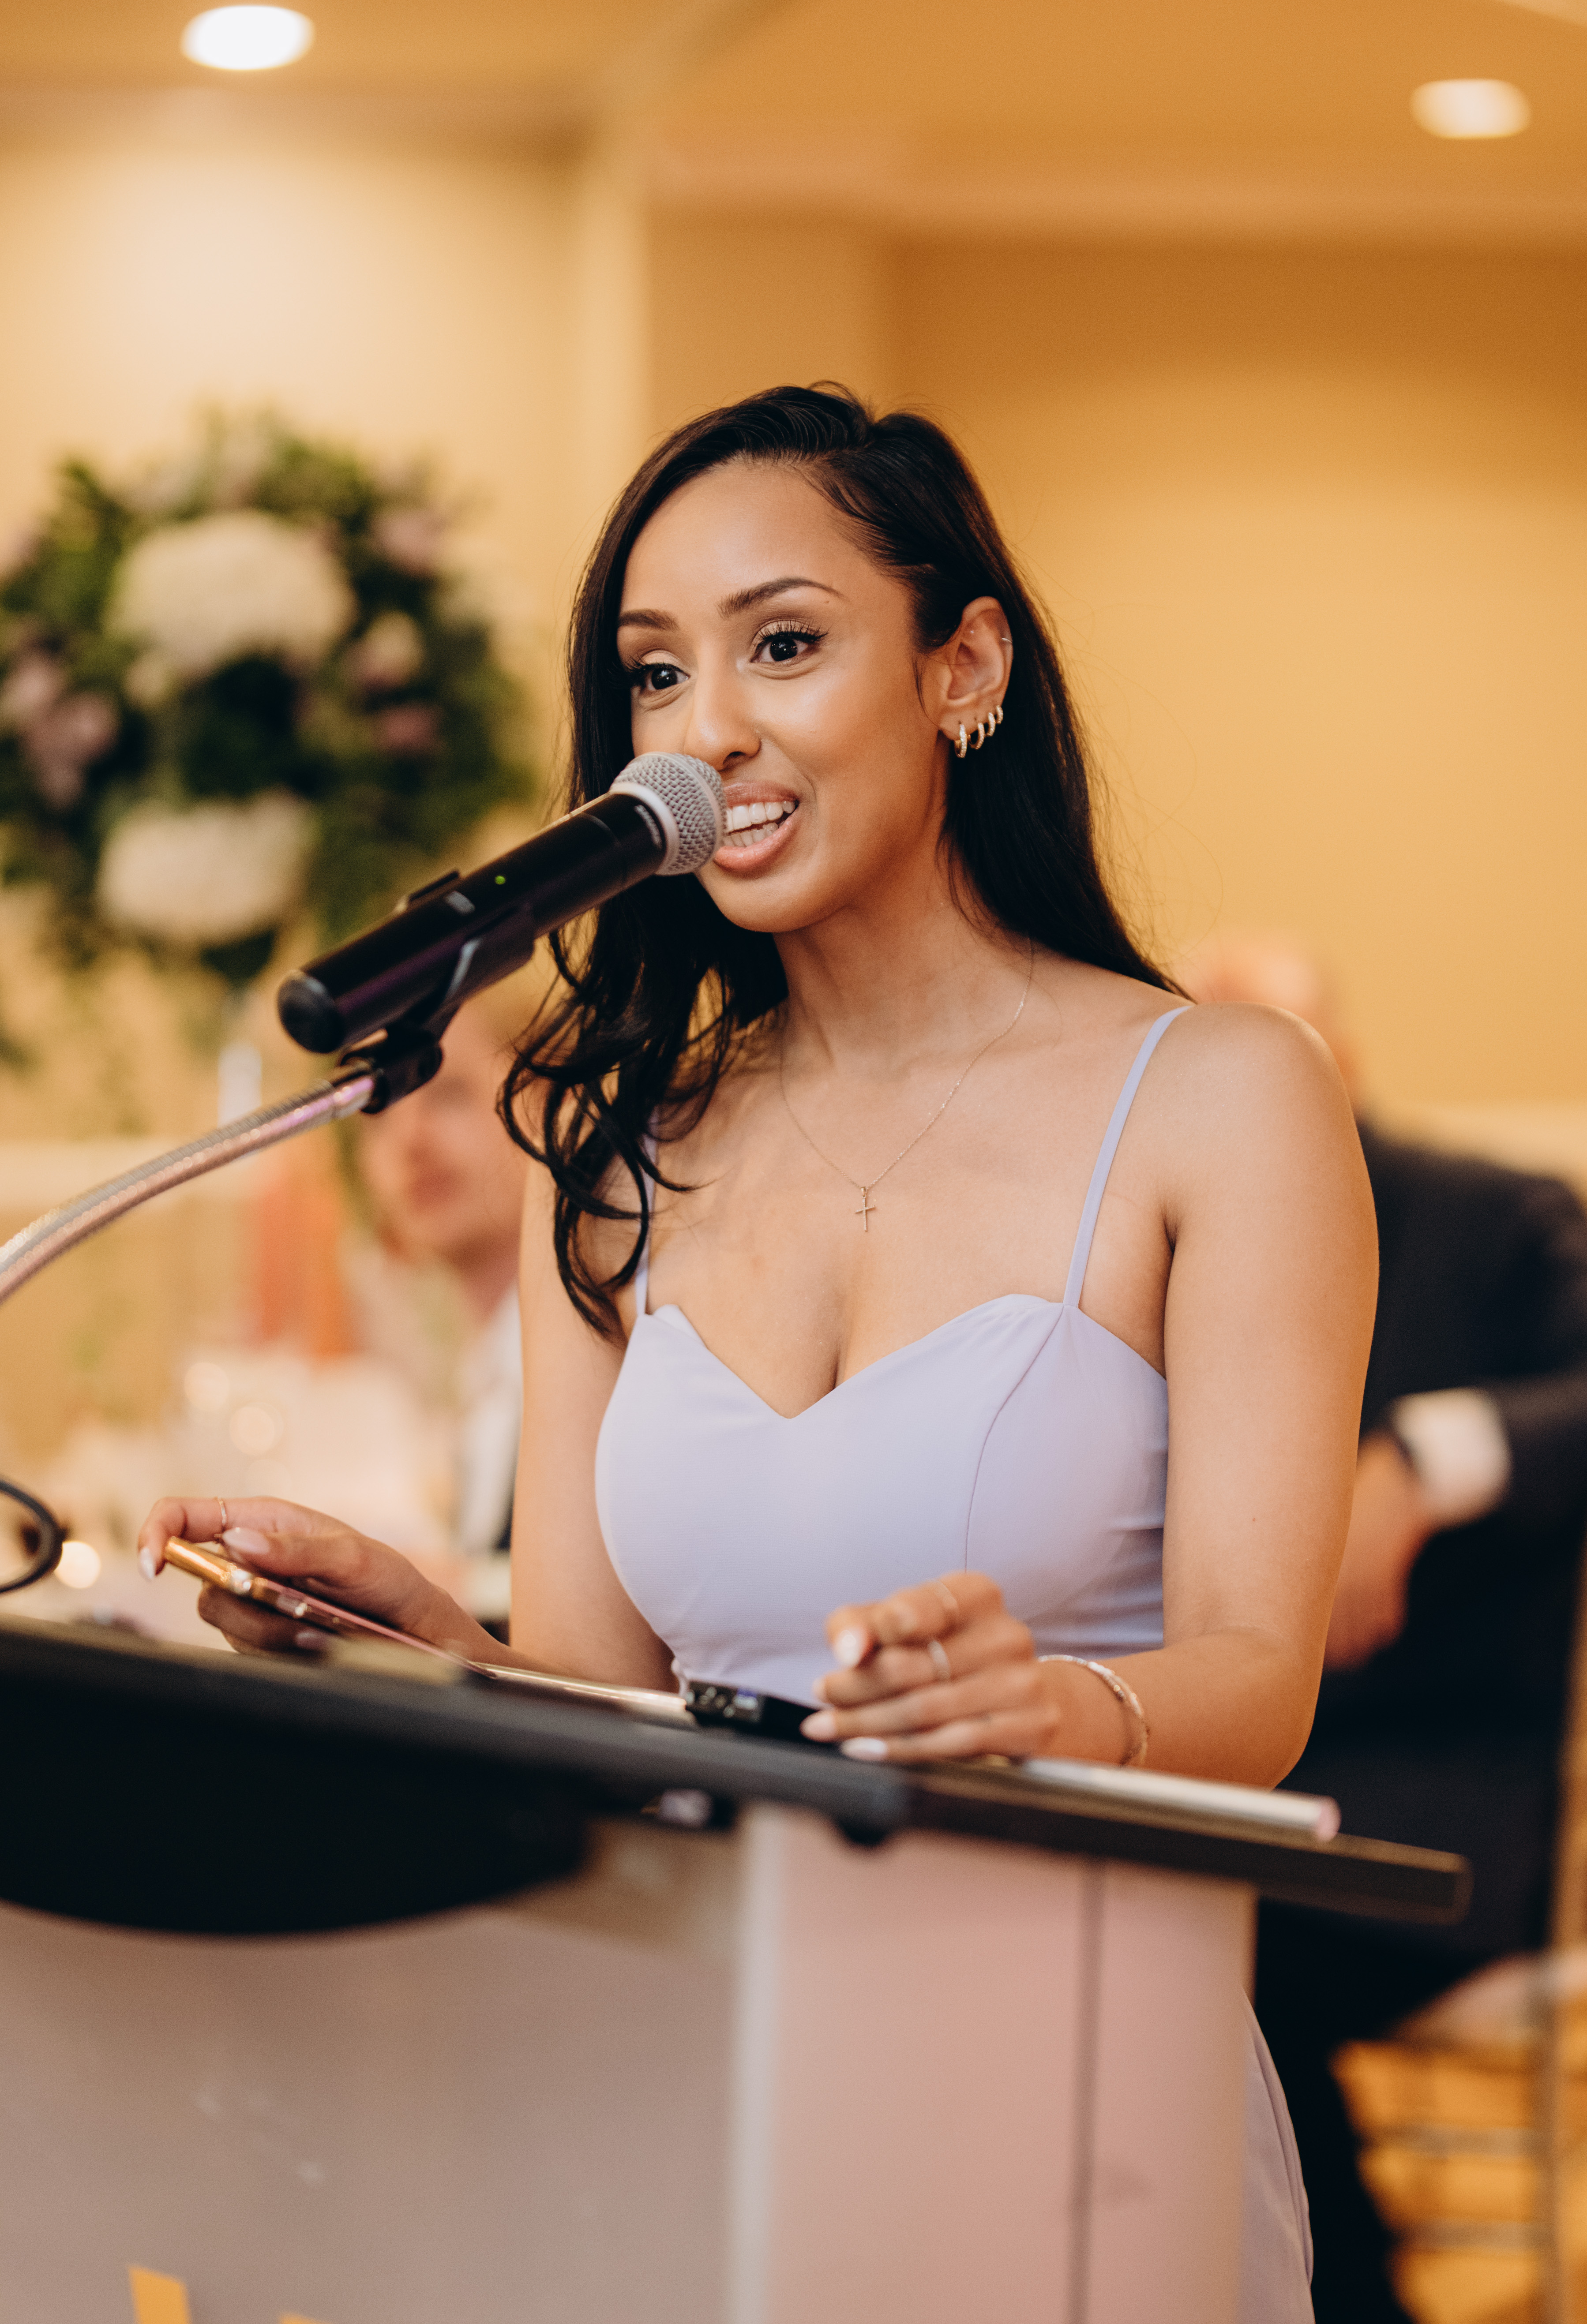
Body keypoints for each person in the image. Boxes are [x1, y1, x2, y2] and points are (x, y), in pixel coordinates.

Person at [138, 385, 1377, 2318]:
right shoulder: (610, 1142)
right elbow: (603, 1703)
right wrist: (421, 1647)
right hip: (667, 2070)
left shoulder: (1218, 1096)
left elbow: (1253, 1669)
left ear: (962, 667)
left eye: (780, 645)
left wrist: (1053, 1707)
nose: (703, 729)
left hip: (1058, 2080)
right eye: (655, 672)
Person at [1179, 933, 1587, 2324]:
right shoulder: (1158, 1235)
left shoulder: (1490, 1219)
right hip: (1224, 1780)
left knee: (1212, 1940)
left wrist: (1423, 1458)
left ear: (1337, 1063)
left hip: (1435, 1803)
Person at [355, 995, 529, 1627]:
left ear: (555, 1106)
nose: (410, 1140)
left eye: (449, 1093)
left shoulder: (610, 1362)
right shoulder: (483, 1373)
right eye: (378, 1107)